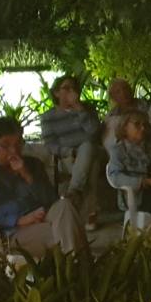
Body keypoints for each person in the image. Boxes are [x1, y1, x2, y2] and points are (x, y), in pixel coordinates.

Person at [0, 116, 86, 259]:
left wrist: (26, 175)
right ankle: (80, 269)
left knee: (65, 206)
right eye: (6, 145)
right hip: (10, 232)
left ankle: (75, 268)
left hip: (42, 218)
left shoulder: (33, 164)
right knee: (67, 233)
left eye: (18, 144)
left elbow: (52, 201)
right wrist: (17, 220)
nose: (13, 151)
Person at [39, 75, 103, 221]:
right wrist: (70, 152)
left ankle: (74, 191)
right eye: (66, 88)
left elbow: (94, 132)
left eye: (74, 88)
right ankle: (90, 214)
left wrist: (80, 110)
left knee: (87, 146)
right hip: (67, 158)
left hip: (91, 151)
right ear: (56, 93)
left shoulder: (87, 109)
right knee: (92, 166)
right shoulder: (48, 117)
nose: (71, 91)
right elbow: (50, 144)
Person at [105, 109, 151, 217]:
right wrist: (145, 181)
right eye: (137, 124)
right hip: (139, 195)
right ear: (125, 127)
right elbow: (114, 177)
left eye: (145, 125)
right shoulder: (119, 150)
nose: (143, 128)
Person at [102, 79, 151, 151]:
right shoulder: (111, 117)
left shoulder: (147, 109)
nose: (123, 93)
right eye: (118, 92)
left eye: (125, 88)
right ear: (113, 97)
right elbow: (109, 142)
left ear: (131, 90)